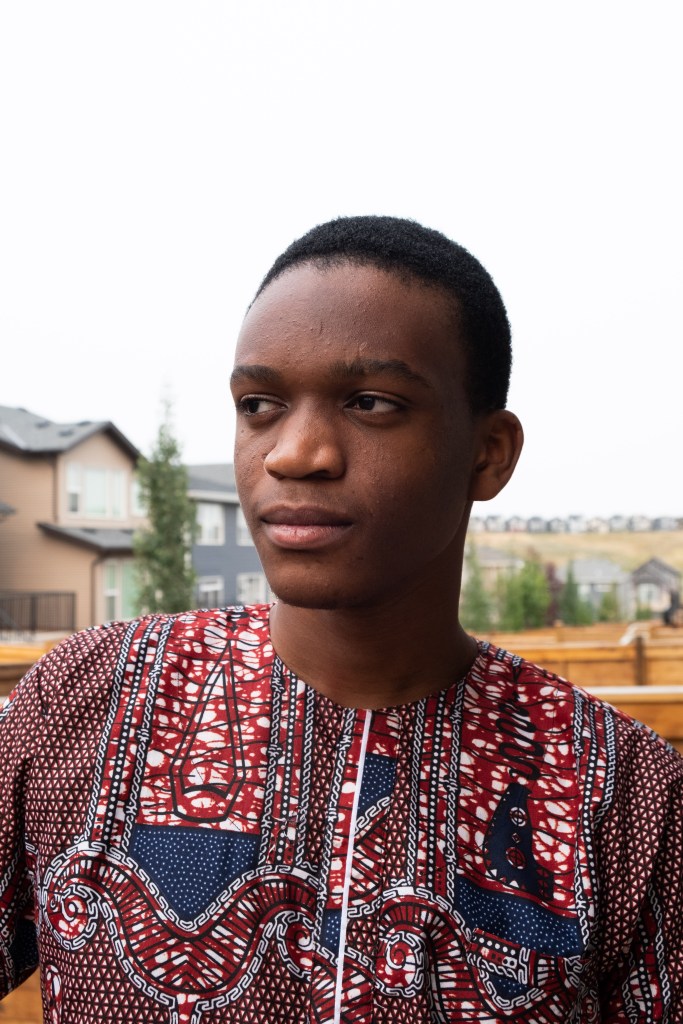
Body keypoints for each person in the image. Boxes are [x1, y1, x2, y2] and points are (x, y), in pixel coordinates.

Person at [1, 216, 682, 1023]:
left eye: (370, 403)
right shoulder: (80, 702)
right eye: (259, 404)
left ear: (488, 452)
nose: (293, 453)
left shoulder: (624, 794)